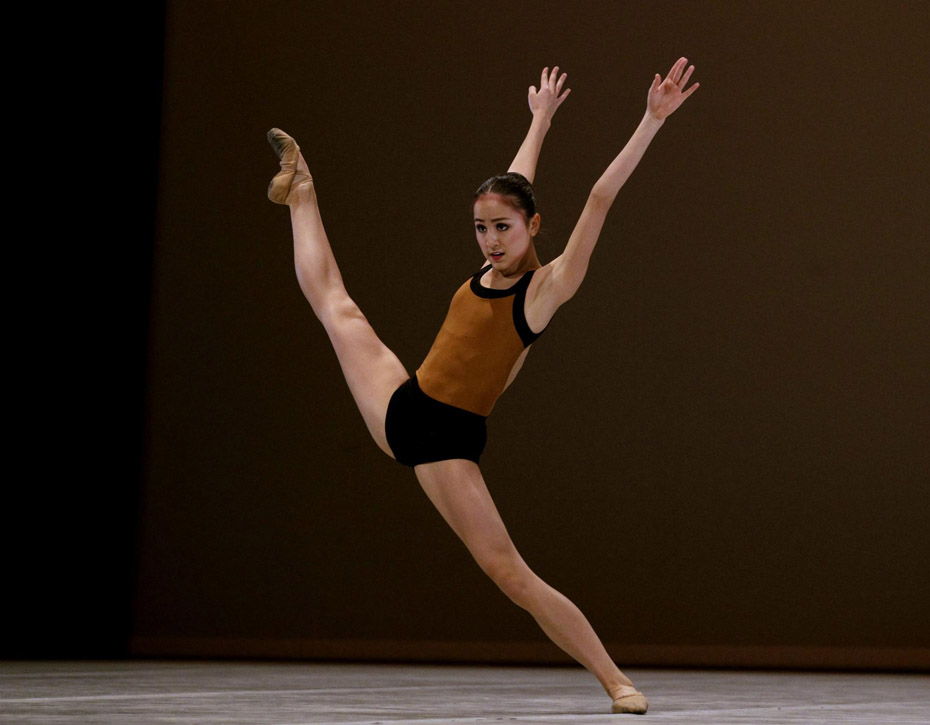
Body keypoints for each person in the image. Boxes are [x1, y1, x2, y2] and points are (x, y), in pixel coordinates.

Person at [267, 59, 699, 715]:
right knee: (336, 306)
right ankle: (302, 191)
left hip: (445, 441)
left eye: (504, 228)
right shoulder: (493, 258)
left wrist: (650, 120)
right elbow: (515, 183)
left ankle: (616, 680)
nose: (491, 240)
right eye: (482, 228)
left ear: (534, 226)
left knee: (510, 573)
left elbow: (599, 198)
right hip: (404, 403)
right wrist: (540, 120)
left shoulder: (545, 290)